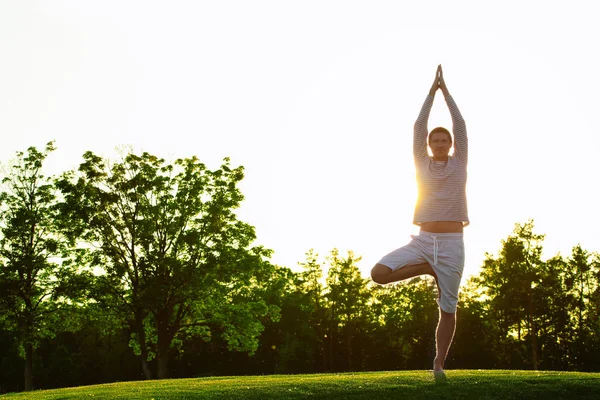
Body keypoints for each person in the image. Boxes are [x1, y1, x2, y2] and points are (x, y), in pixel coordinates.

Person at [371, 65, 468, 381]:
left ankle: (439, 364)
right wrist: (431, 92)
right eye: (435, 140)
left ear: (450, 145)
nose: (440, 143)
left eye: (444, 140)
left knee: (448, 310)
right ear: (429, 145)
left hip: (453, 244)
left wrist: (447, 93)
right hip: (424, 241)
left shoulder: (459, 163)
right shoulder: (421, 163)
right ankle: (427, 268)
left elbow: (461, 124)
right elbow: (417, 126)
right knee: (379, 273)